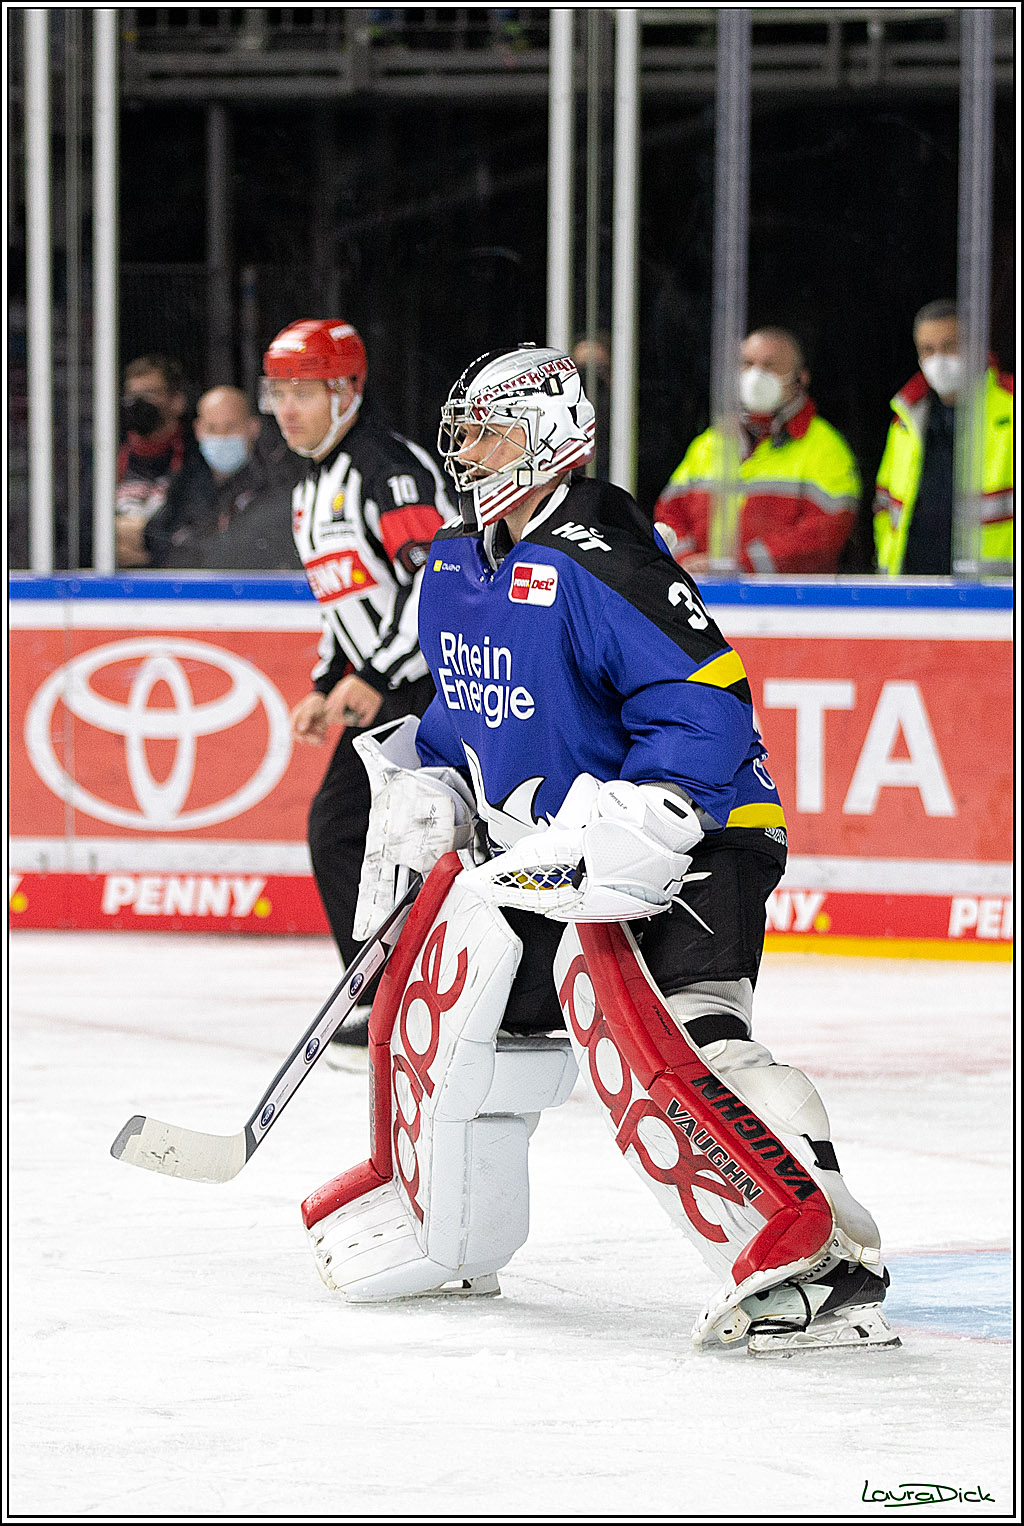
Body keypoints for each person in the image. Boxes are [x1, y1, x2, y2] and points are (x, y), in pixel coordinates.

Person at [300, 343, 900, 1358]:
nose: (466, 451)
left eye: (487, 430)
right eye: (463, 432)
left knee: (679, 1040)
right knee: (456, 1018)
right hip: (548, 854)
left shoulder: (601, 550)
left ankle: (818, 1258)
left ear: (546, 437)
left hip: (694, 837)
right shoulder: (452, 565)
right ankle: (438, 1221)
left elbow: (702, 701)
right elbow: (463, 715)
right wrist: (428, 787)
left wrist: (655, 806)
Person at [262, 318, 455, 1062]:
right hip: (387, 687)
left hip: (430, 692)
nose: (287, 408)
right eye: (277, 391)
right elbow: (340, 603)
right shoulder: (311, 486)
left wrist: (372, 676)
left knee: (365, 835)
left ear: (347, 390)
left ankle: (394, 993)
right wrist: (325, 681)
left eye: (303, 390)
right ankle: (389, 990)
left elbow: (434, 580)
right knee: (356, 835)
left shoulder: (386, 468)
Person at [653, 327, 860, 575]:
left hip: (786, 606)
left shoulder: (825, 448)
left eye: (770, 365)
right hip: (703, 597)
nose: (755, 374)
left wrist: (740, 566)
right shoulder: (710, 442)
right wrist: (686, 561)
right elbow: (668, 515)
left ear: (801, 378)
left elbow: (823, 537)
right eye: (747, 364)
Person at [873, 300, 1014, 576]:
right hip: (913, 589)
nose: (938, 359)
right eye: (928, 350)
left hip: (997, 594)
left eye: (950, 346)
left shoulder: (1011, 407)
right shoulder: (905, 418)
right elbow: (884, 505)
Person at [143, 385, 303, 570]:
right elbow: (157, 539)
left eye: (230, 427)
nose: (221, 436)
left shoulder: (277, 485)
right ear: (198, 429)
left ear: (253, 427)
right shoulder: (184, 482)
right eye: (212, 428)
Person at [115, 355, 194, 567]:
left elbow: (196, 534)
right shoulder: (107, 459)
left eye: (149, 394)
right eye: (132, 395)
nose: (138, 403)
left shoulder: (196, 460)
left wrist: (150, 554)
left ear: (177, 401)